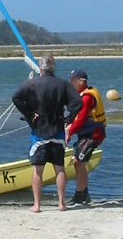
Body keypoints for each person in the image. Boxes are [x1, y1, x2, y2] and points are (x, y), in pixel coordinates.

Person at [12, 55, 82, 213]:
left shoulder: (31, 84)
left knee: (38, 170)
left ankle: (37, 205)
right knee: (60, 168)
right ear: (54, 67)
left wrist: (30, 114)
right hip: (57, 131)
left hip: (39, 132)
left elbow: (16, 97)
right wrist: (68, 118)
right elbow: (77, 102)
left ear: (40, 67)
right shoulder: (63, 84)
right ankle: (61, 204)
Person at [65, 69, 107, 206]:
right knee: (79, 162)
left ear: (81, 81)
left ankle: (79, 195)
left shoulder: (88, 97)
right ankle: (85, 195)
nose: (71, 84)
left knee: (78, 162)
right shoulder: (81, 95)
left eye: (73, 81)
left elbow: (81, 119)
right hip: (86, 134)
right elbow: (74, 116)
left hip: (94, 134)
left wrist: (69, 132)